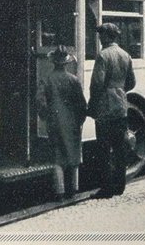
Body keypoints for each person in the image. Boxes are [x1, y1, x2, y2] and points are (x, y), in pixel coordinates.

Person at [87, 23, 136, 198]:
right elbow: (132, 82)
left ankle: (106, 188)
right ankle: (120, 186)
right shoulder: (125, 55)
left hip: (105, 107)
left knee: (104, 148)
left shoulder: (103, 55)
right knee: (120, 147)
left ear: (108, 36)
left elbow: (97, 83)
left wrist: (93, 104)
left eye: (101, 35)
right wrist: (119, 90)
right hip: (121, 106)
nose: (100, 38)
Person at [36, 46, 87, 200]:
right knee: (74, 153)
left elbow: (40, 100)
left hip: (55, 121)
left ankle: (60, 191)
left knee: (58, 156)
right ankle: (74, 189)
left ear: (53, 63)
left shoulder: (47, 79)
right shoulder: (73, 80)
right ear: (66, 63)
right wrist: (80, 119)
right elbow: (81, 103)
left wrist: (46, 116)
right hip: (72, 121)